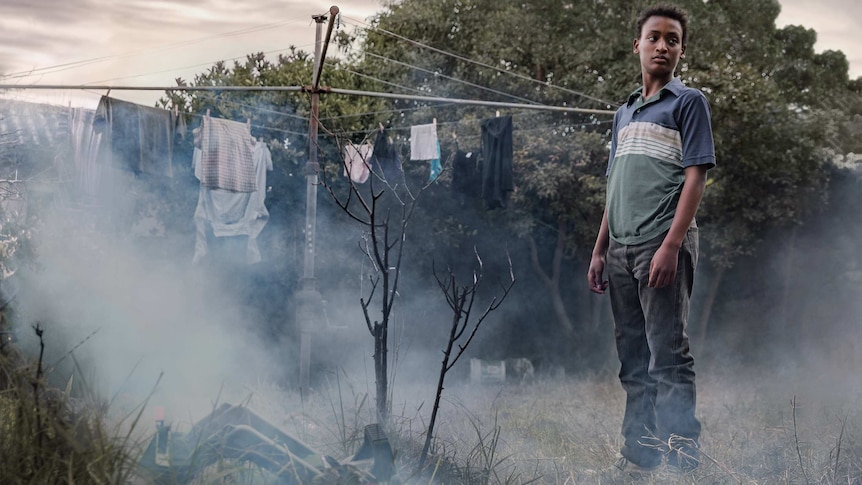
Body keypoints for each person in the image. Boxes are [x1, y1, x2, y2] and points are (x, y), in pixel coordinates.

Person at [587, 3, 716, 477]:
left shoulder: (688, 103)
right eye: (654, 37)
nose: (663, 45)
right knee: (633, 362)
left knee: (669, 356)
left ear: (681, 50)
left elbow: (696, 177)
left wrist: (671, 245)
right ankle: (639, 459)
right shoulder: (623, 113)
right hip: (619, 249)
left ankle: (684, 460)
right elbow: (614, 185)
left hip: (662, 245)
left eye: (673, 39)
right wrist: (601, 249)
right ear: (637, 45)